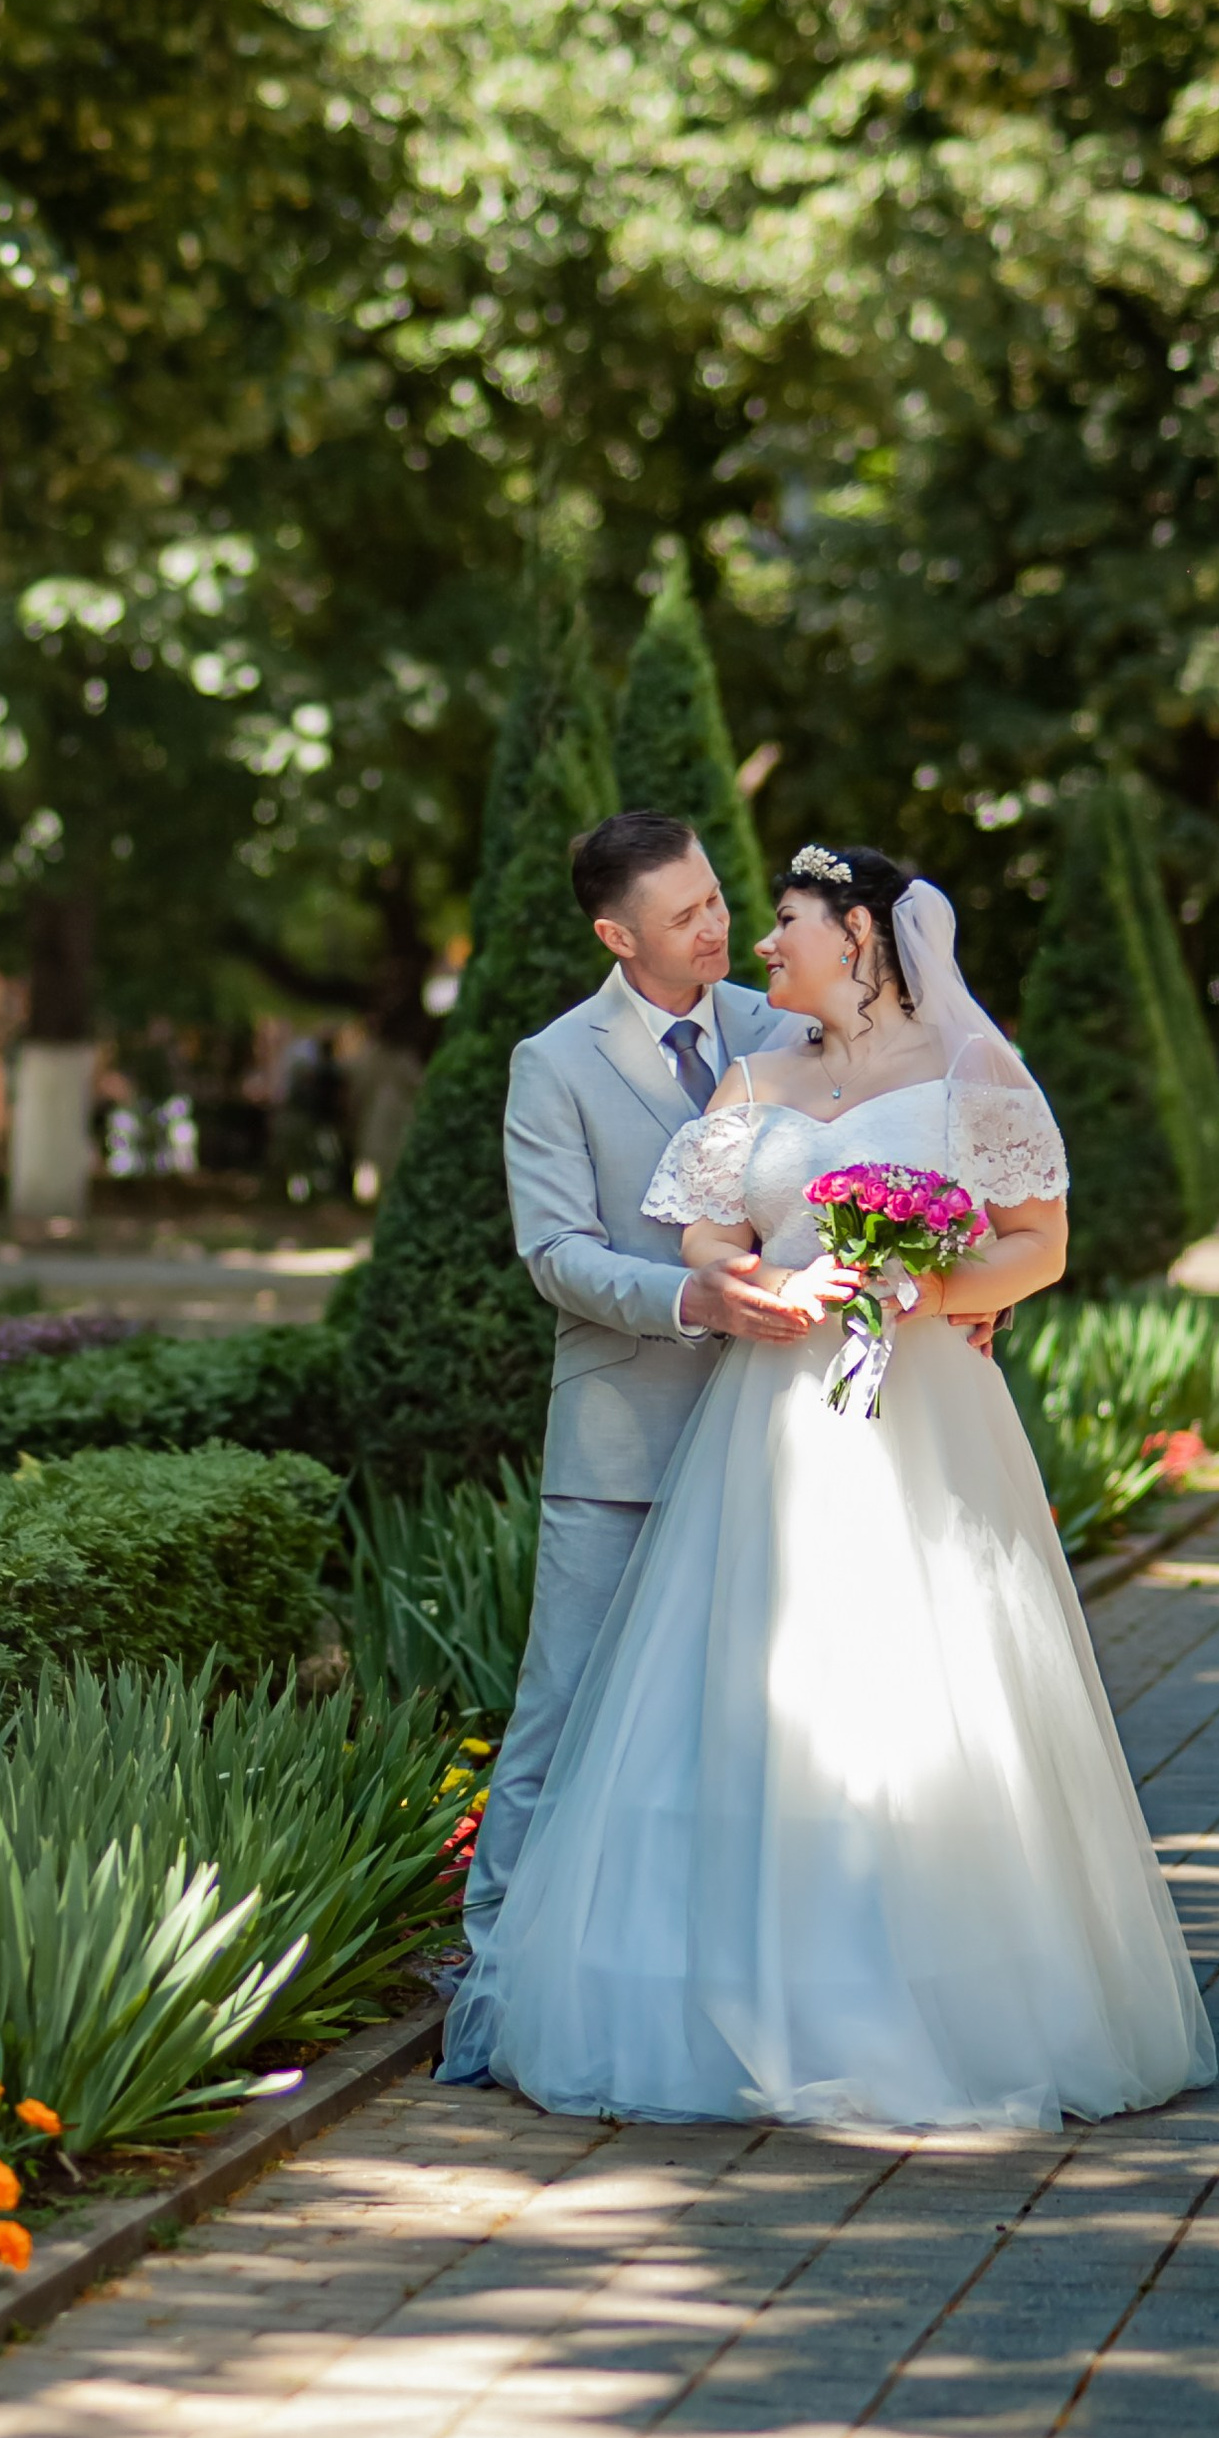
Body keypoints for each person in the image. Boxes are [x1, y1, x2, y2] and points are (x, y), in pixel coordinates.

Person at [457, 843, 1214, 2128]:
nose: (746, 936)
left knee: (918, 1686)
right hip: (757, 1424)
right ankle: (525, 1998)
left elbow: (1034, 1242)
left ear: (856, 935)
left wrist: (938, 1289)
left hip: (921, 1419)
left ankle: (931, 1994)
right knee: (685, 1704)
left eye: (770, 915)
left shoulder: (959, 1063)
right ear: (617, 936)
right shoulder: (735, 1068)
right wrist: (753, 1279)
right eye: (701, 912)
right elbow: (684, 1230)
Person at [443, 809, 808, 2031]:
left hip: (782, 1439)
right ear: (617, 936)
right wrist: (689, 1298)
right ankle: (493, 1990)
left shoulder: (787, 1025)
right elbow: (554, 1252)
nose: (716, 927)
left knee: (756, 1724)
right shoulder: (553, 1062)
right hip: (621, 1445)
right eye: (684, 914)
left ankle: (711, 1988)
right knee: (561, 1714)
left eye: (716, 899)